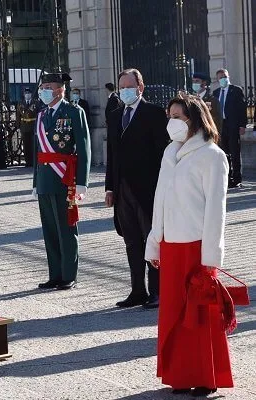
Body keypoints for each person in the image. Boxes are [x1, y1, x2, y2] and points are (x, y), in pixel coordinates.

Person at [145, 94, 233, 396]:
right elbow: (160, 200)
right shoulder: (170, 152)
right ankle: (180, 375)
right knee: (173, 314)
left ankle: (206, 377)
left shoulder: (212, 155)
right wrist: (155, 242)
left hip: (196, 247)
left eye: (178, 116)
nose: (173, 121)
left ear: (195, 118)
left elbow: (216, 210)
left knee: (199, 314)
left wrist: (211, 256)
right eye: (170, 115)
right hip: (171, 246)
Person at [105, 68, 169, 308]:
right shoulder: (115, 115)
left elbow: (163, 154)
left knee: (151, 240)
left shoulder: (153, 113)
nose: (124, 91)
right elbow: (112, 154)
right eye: (121, 87)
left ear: (140, 88)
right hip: (122, 191)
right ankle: (137, 290)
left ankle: (157, 291)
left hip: (148, 190)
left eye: (129, 86)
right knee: (131, 242)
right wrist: (109, 187)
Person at [33, 72, 91, 290]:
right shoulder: (41, 115)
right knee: (49, 229)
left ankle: (68, 275)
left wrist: (82, 183)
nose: (44, 91)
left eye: (48, 87)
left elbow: (84, 148)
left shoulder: (74, 112)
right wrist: (34, 182)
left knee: (66, 228)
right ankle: (55, 274)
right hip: (45, 181)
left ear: (60, 90)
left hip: (65, 178)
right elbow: (37, 152)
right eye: (43, 87)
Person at [212, 68, 247, 188]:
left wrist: (243, 125)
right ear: (217, 79)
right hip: (221, 126)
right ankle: (227, 176)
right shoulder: (216, 93)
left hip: (233, 125)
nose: (223, 79)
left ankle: (237, 178)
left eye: (224, 76)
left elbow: (242, 108)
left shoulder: (236, 90)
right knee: (224, 152)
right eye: (220, 77)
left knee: (235, 152)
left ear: (228, 77)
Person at [16, 87, 40, 167]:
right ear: (24, 94)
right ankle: (28, 161)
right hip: (24, 126)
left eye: (28, 93)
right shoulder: (20, 103)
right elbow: (18, 116)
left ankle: (34, 161)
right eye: (26, 93)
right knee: (26, 145)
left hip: (33, 125)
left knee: (33, 145)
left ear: (31, 94)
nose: (27, 95)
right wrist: (18, 127)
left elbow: (39, 114)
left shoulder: (36, 103)